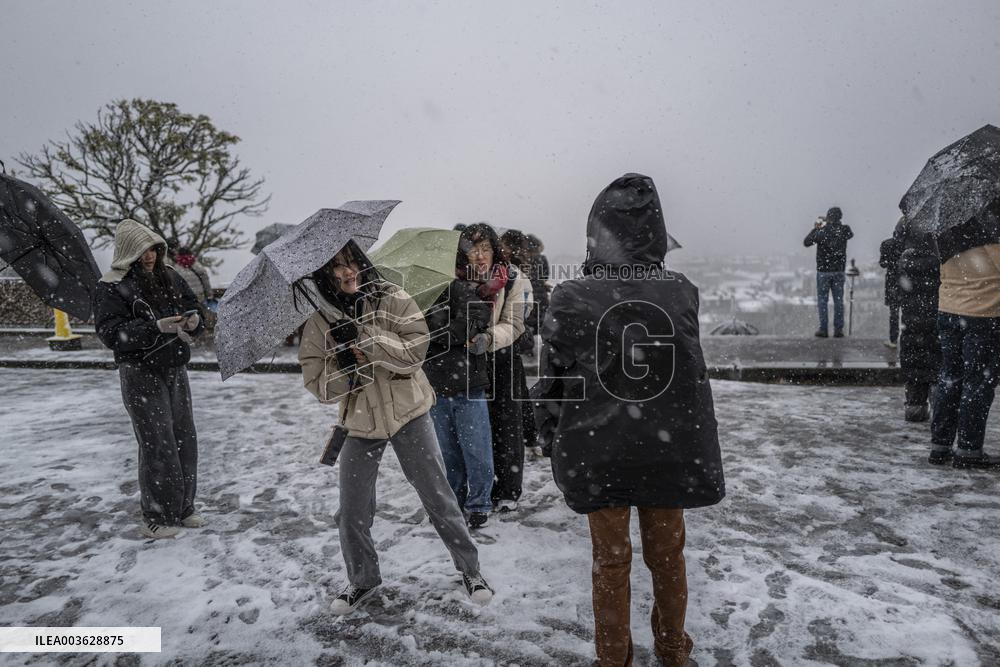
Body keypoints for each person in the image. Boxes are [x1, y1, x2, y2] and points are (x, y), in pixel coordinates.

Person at [535, 174, 725, 667]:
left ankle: (613, 657)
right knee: (667, 558)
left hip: (599, 448)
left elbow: (555, 378)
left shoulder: (572, 295)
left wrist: (549, 432)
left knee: (611, 563)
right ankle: (673, 650)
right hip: (667, 448)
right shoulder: (681, 292)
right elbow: (690, 374)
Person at [298, 240, 493, 614]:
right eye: (336, 266)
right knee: (351, 510)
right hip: (360, 420)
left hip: (409, 412)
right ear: (325, 274)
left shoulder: (392, 296)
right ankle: (363, 579)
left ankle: (471, 570)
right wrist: (346, 367)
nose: (347, 271)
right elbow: (317, 384)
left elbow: (413, 354)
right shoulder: (320, 320)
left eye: (351, 261)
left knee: (438, 497)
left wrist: (368, 338)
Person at [94, 219, 206, 539]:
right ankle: (156, 515)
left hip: (174, 367)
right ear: (128, 252)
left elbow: (191, 306)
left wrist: (194, 320)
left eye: (153, 250)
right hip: (140, 371)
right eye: (142, 251)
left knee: (185, 438)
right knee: (157, 442)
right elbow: (111, 333)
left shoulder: (170, 275)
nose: (149, 257)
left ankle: (184, 507)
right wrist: (155, 329)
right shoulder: (110, 285)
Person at [461, 224, 532, 513]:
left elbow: (515, 324)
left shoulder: (515, 279)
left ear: (495, 250)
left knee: (507, 425)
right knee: (472, 430)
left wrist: (488, 339)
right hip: (466, 362)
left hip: (503, 358)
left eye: (486, 249)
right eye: (473, 250)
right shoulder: (456, 280)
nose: (480, 256)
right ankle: (478, 488)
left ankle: (508, 490)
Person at [423, 255, 495, 530]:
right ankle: (452, 501)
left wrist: (436, 335)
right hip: (434, 386)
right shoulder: (419, 299)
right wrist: (448, 334)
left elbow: (476, 320)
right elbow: (415, 334)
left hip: (468, 383)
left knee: (476, 449)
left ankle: (479, 505)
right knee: (447, 452)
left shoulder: (464, 289)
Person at [929, 201, 1000, 468]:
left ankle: (940, 445)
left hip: (948, 311)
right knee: (977, 383)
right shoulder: (989, 226)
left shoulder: (945, 225)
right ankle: (969, 451)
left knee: (950, 376)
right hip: (983, 314)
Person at [895, 224, 941, 422]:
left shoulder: (905, 263)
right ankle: (940, 410)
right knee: (937, 365)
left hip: (911, 323)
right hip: (936, 320)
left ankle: (915, 409)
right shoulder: (940, 262)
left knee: (914, 365)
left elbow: (899, 293)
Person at [804, 207, 854, 337]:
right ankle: (838, 329)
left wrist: (817, 227)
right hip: (838, 270)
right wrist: (835, 224)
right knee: (838, 301)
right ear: (840, 217)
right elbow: (850, 234)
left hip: (823, 271)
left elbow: (806, 242)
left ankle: (823, 329)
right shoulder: (844, 230)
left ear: (828, 217)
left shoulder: (821, 231)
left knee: (822, 300)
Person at [879, 221, 904, 348]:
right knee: (907, 312)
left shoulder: (887, 244)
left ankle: (893, 339)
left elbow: (882, 263)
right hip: (907, 280)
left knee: (893, 313)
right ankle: (906, 339)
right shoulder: (909, 245)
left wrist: (891, 262)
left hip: (892, 280)